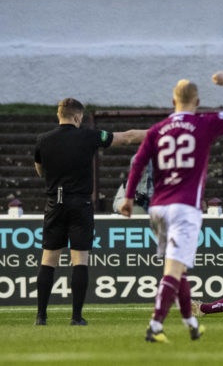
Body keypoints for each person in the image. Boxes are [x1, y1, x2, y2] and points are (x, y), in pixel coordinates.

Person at [119, 71, 223, 342]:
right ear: (198, 101)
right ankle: (155, 327)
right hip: (184, 208)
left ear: (172, 100)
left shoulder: (157, 130)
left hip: (158, 208)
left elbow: (137, 163)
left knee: (177, 269)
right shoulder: (203, 123)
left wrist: (129, 198)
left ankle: (191, 323)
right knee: (173, 271)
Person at [34, 98, 146, 326]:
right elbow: (128, 137)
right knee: (80, 260)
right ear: (77, 117)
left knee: (48, 260)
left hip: (55, 203)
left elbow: (39, 170)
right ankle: (76, 317)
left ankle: (41, 317)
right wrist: (161, 132)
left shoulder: (42, 140)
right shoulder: (90, 136)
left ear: (59, 115)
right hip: (80, 204)